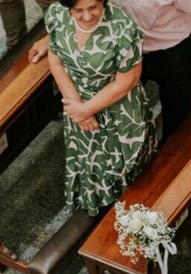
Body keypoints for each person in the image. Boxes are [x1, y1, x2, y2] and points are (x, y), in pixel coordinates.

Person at [36, 0, 155, 216]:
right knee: (89, 159)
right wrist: (76, 105)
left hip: (117, 109)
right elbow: (56, 62)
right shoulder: (57, 15)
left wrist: (85, 109)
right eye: (78, 10)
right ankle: (99, 206)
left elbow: (127, 81)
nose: (87, 16)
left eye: (93, 7)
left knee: (120, 165)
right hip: (77, 103)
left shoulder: (123, 27)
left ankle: (129, 212)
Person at [108, 0, 191, 142]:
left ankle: (174, 157)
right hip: (131, 54)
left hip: (176, 54)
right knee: (126, 110)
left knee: (177, 117)